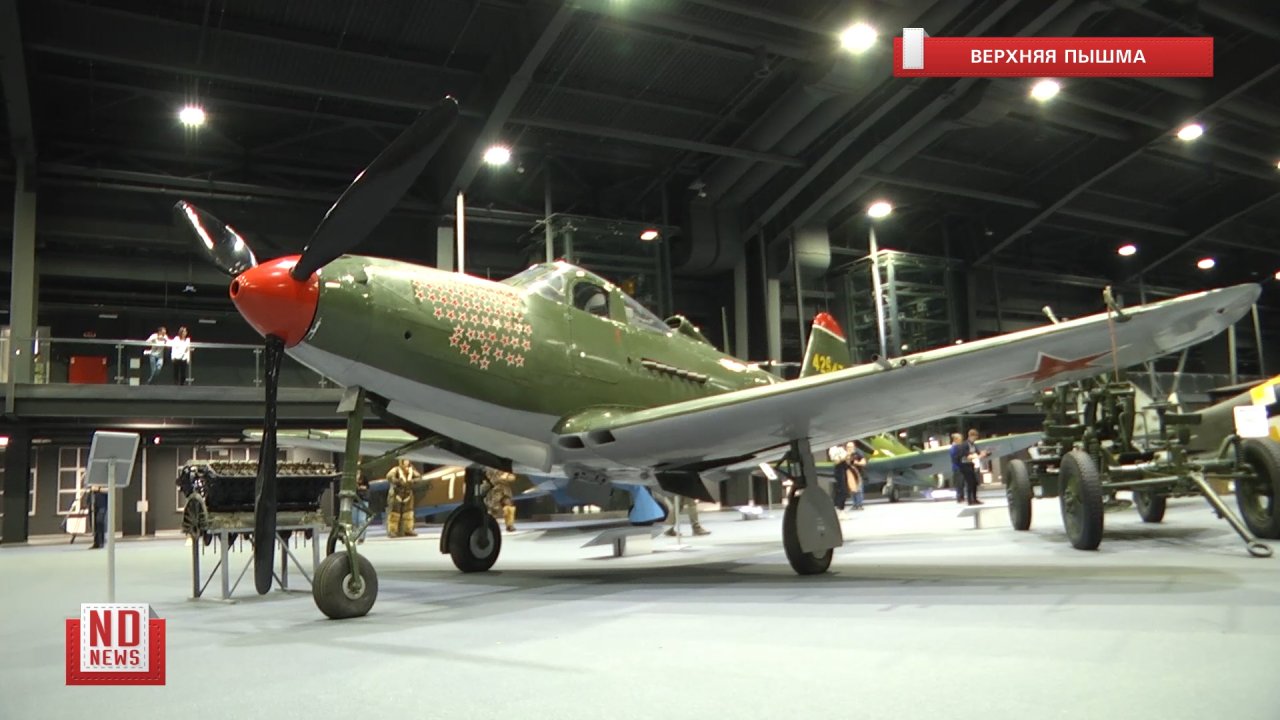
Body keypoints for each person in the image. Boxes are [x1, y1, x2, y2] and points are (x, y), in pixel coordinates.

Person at [385, 458, 420, 538]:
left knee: (408, 513)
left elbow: (419, 477)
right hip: (396, 494)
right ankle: (392, 530)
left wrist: (413, 481)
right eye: (405, 460)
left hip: (408, 494)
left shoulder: (411, 470)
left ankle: (408, 529)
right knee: (394, 514)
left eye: (407, 460)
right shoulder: (396, 469)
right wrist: (397, 481)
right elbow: (389, 476)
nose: (406, 462)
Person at [82, 484, 110, 549]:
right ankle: (96, 542)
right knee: (93, 522)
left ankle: (101, 542)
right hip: (93, 501)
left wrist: (98, 489)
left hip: (102, 503)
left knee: (99, 521)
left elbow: (109, 489)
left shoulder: (105, 481)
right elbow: (86, 486)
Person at [828, 445, 850, 511]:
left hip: (844, 469)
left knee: (845, 489)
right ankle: (838, 506)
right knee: (841, 488)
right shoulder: (833, 449)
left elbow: (847, 460)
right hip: (839, 470)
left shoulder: (842, 448)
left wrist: (847, 457)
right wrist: (844, 457)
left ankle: (841, 506)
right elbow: (836, 461)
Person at [846, 441, 867, 510]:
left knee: (859, 489)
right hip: (850, 474)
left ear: (854, 447)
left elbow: (864, 462)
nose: (849, 448)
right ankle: (855, 504)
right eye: (848, 447)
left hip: (858, 473)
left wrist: (857, 463)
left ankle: (859, 504)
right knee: (852, 490)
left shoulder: (858, 453)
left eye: (851, 447)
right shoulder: (845, 455)